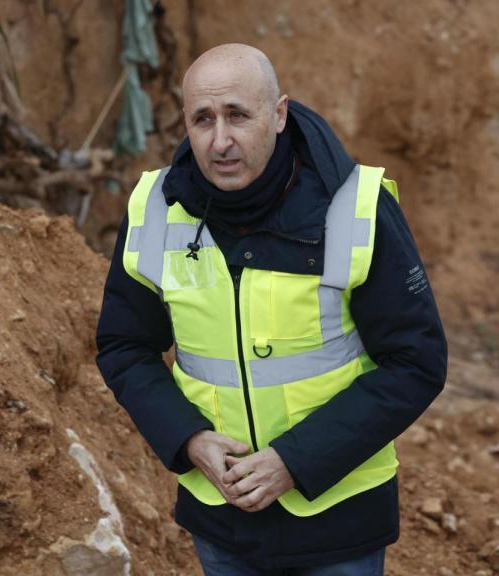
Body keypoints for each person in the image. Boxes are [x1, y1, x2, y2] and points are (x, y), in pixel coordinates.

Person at [95, 43, 447, 575]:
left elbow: (416, 362)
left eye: (238, 115)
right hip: (221, 522)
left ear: (279, 113)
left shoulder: (357, 208)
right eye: (203, 119)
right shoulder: (155, 213)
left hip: (338, 526)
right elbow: (124, 346)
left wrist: (294, 461)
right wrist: (188, 439)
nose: (221, 141)